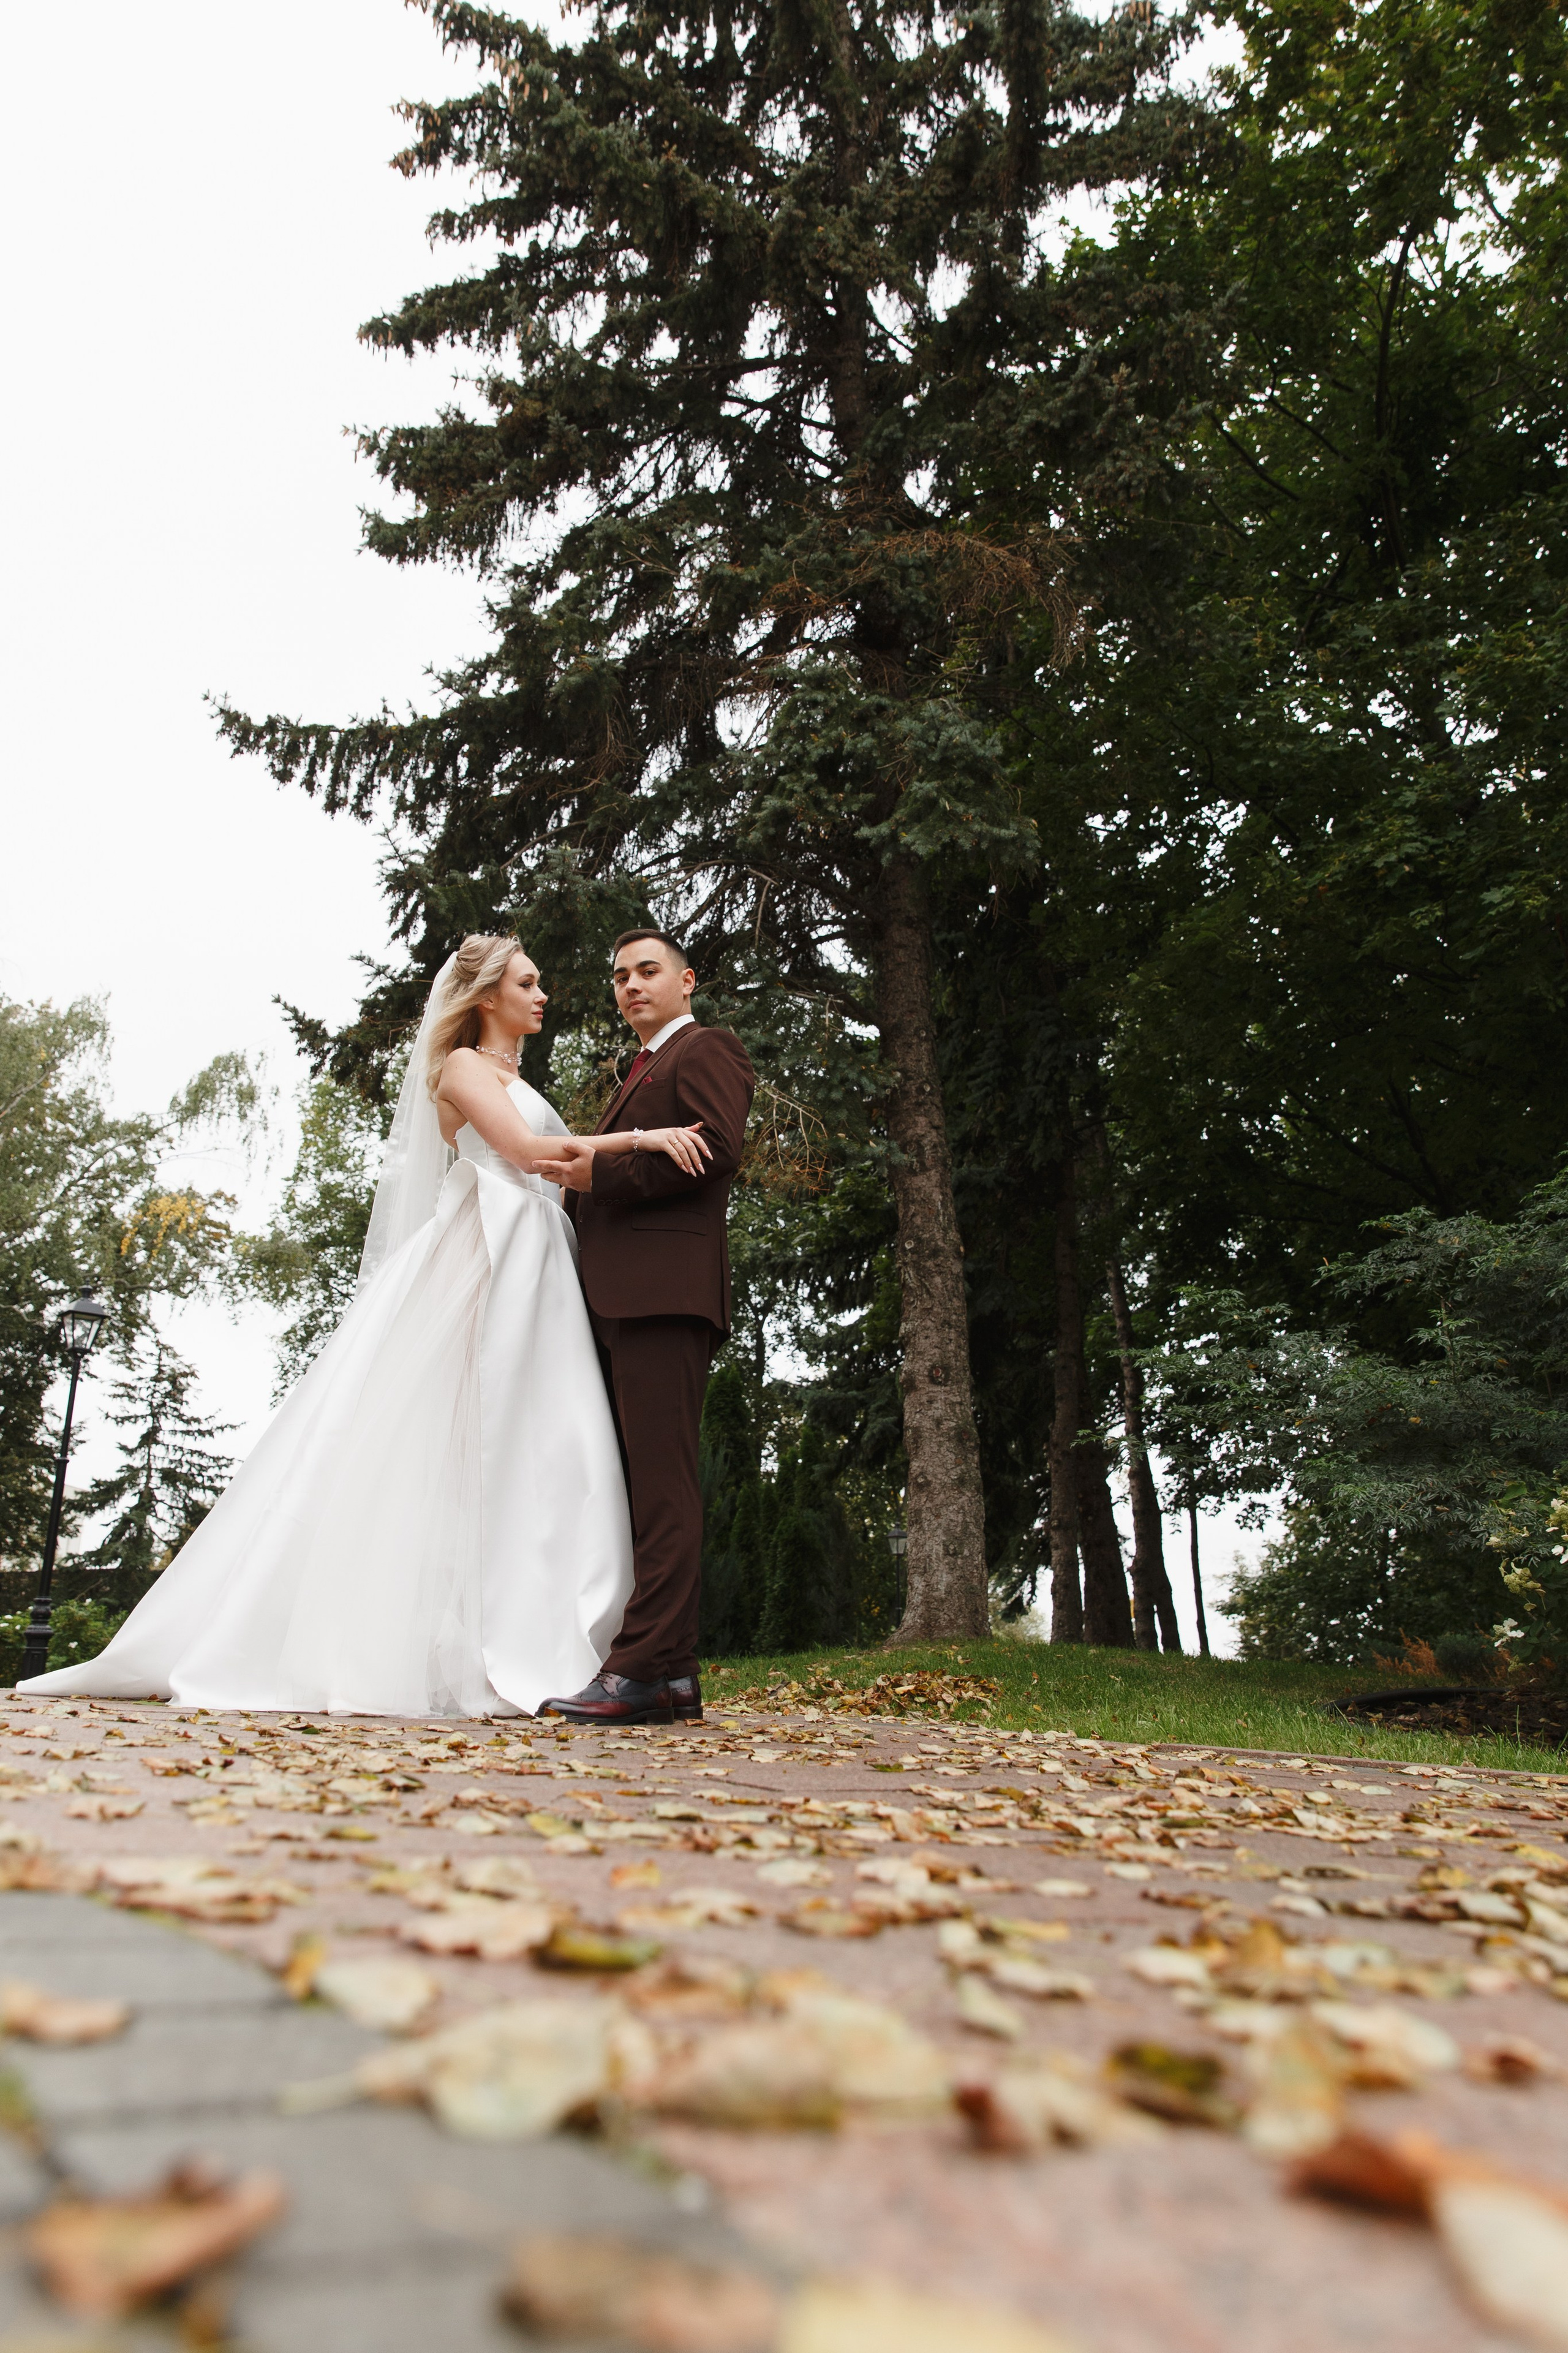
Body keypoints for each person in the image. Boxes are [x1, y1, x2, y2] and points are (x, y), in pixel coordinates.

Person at [17, 936, 711, 1717]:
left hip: (543, 1260)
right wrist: (643, 1138)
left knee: (547, 1445)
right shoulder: (459, 1069)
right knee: (465, 1438)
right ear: (487, 997)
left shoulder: (518, 1074)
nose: (542, 992)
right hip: (489, 1257)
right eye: (527, 981)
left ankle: (557, 1629)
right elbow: (522, 1152)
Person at [534, 929, 756, 1727]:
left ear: (686, 980)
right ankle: (672, 1677)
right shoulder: (640, 1069)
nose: (630, 985)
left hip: (665, 1294)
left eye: (647, 971)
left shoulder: (706, 1048)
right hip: (621, 1297)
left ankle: (636, 1670)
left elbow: (715, 1146)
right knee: (642, 1490)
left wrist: (601, 1170)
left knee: (662, 1489)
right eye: (619, 975)